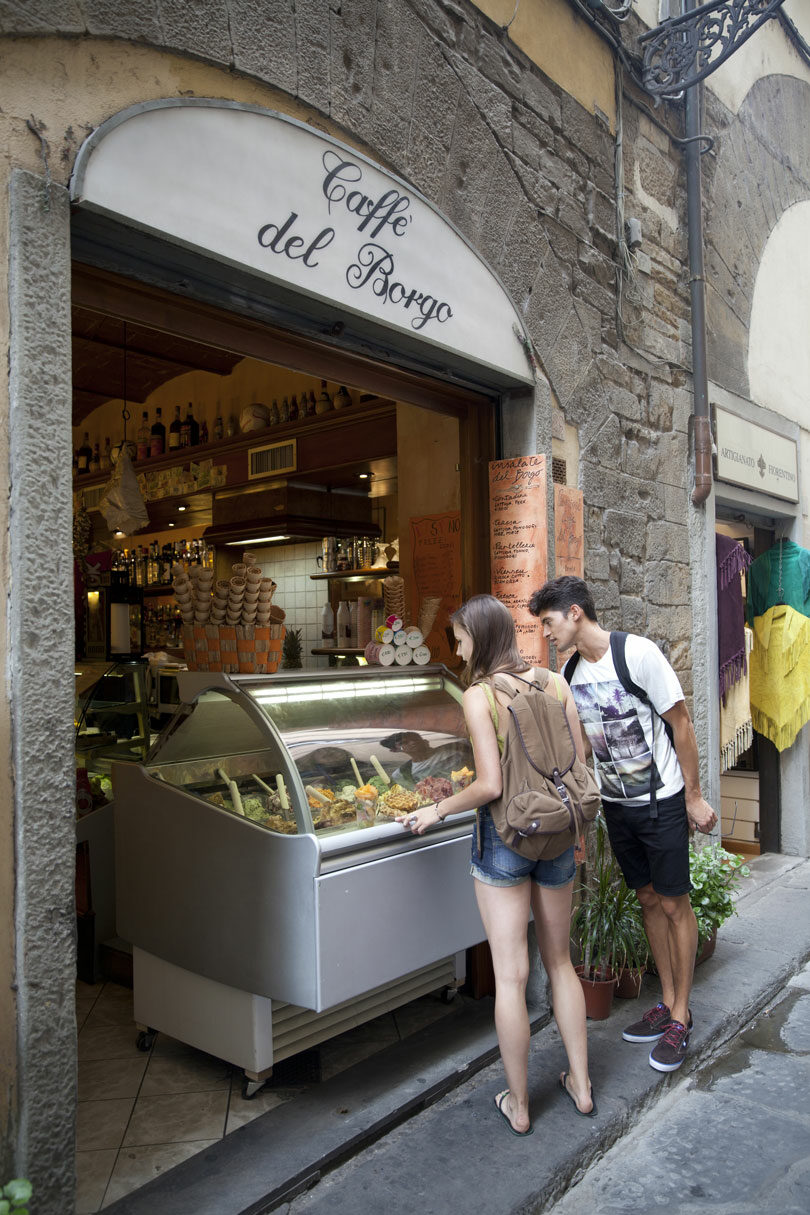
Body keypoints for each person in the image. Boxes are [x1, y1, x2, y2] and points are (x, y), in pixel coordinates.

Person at [396, 594, 595, 1134]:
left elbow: (489, 786)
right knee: (560, 964)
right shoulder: (556, 683)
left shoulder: (478, 696)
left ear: (479, 639)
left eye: (459, 637)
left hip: (505, 839)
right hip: (557, 834)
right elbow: (577, 762)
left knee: (510, 978)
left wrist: (435, 810)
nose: (456, 646)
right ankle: (580, 1084)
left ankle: (520, 1104)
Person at [528, 575, 718, 1073]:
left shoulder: (638, 655)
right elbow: (585, 745)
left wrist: (694, 798)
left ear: (574, 613)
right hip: (618, 804)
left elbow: (681, 723)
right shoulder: (570, 673)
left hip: (663, 801)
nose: (545, 633)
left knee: (675, 902)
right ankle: (669, 1002)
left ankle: (681, 1016)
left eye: (548, 622)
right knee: (649, 899)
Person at [379, 730, 469, 788]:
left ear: (425, 741)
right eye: (404, 743)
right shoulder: (402, 774)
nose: (413, 743)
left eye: (415, 739)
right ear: (395, 750)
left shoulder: (455, 749)